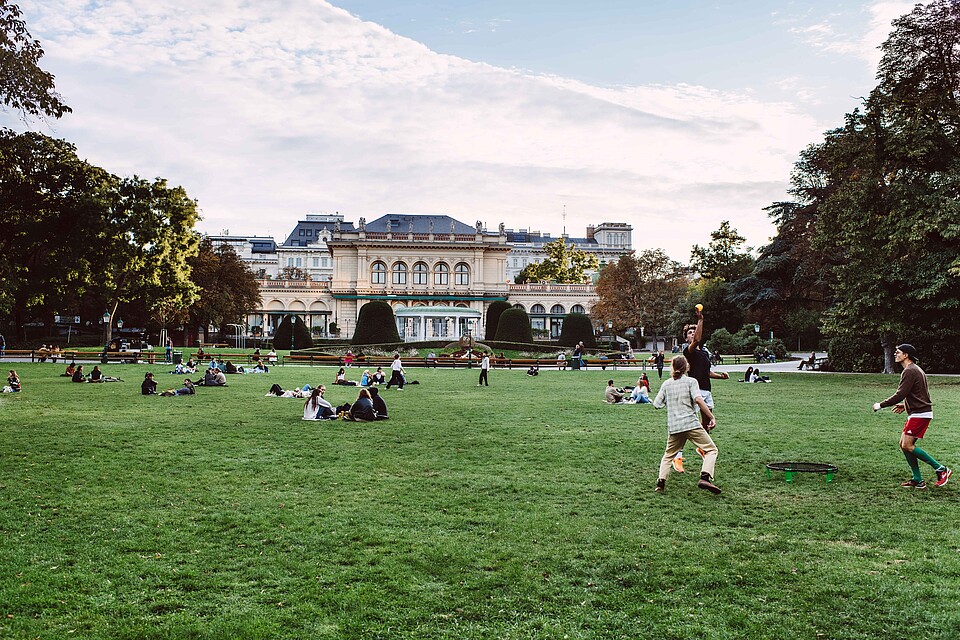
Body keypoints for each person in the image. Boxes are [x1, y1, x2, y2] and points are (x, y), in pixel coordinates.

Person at [873, 343, 951, 489]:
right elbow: (918, 392)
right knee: (904, 445)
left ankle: (941, 469)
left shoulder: (909, 371)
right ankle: (917, 479)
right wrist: (906, 405)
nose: (895, 354)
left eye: (898, 352)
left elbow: (900, 394)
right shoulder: (914, 369)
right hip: (917, 412)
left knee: (907, 445)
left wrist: (880, 405)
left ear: (906, 355)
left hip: (920, 414)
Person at [672, 307, 729, 474]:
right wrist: (700, 320)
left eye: (693, 331)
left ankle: (702, 449)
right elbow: (697, 340)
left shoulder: (703, 353)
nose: (692, 334)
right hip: (694, 393)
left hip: (707, 392)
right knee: (687, 427)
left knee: (707, 425)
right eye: (689, 332)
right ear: (686, 337)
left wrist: (720, 376)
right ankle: (678, 457)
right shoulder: (688, 352)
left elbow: (706, 372)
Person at [652, 355, 720, 494]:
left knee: (668, 455)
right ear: (686, 367)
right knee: (711, 450)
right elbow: (699, 400)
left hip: (675, 426)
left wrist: (670, 399)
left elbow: (656, 404)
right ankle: (705, 477)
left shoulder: (666, 384)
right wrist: (711, 416)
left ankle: (660, 483)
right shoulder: (691, 382)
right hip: (690, 424)